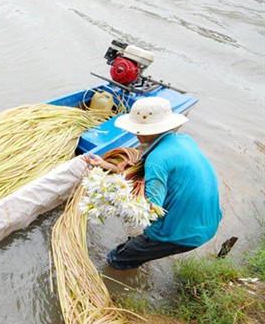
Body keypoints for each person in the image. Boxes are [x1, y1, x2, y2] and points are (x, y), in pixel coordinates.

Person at [82, 97, 222, 270]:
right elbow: (142, 177)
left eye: (137, 130)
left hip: (185, 234)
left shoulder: (156, 160)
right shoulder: (183, 140)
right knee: (136, 247)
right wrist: (105, 166)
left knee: (117, 259)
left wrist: (113, 199)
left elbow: (151, 209)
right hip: (209, 222)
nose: (135, 134)